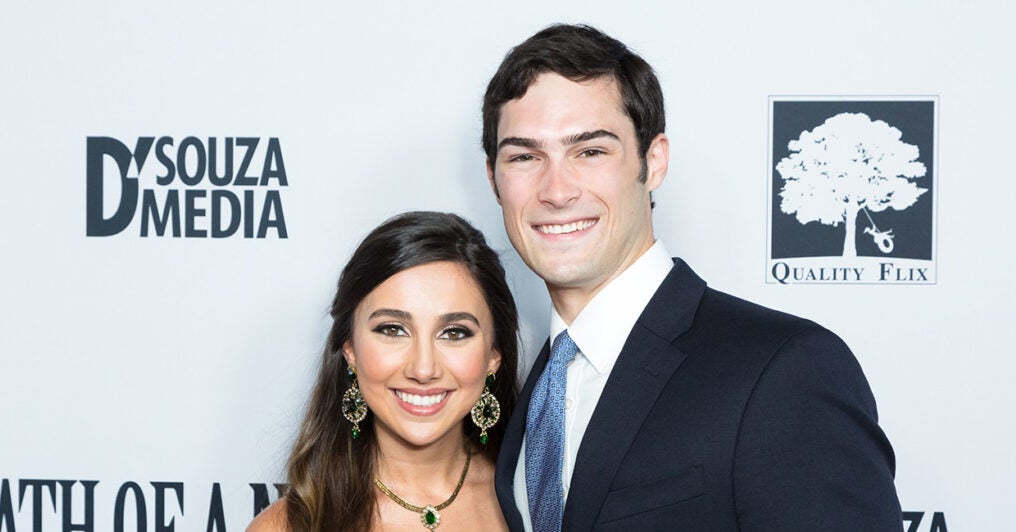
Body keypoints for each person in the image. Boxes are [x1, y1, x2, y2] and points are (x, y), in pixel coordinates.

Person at [482, 24, 903, 531]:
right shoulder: (526, 391)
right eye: (524, 157)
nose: (556, 189)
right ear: (494, 179)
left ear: (653, 161)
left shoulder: (783, 369)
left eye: (590, 151)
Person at [248, 211, 518, 532]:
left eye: (454, 333)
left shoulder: (537, 502)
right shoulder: (285, 527)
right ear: (350, 349)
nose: (423, 368)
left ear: (493, 356)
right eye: (393, 329)